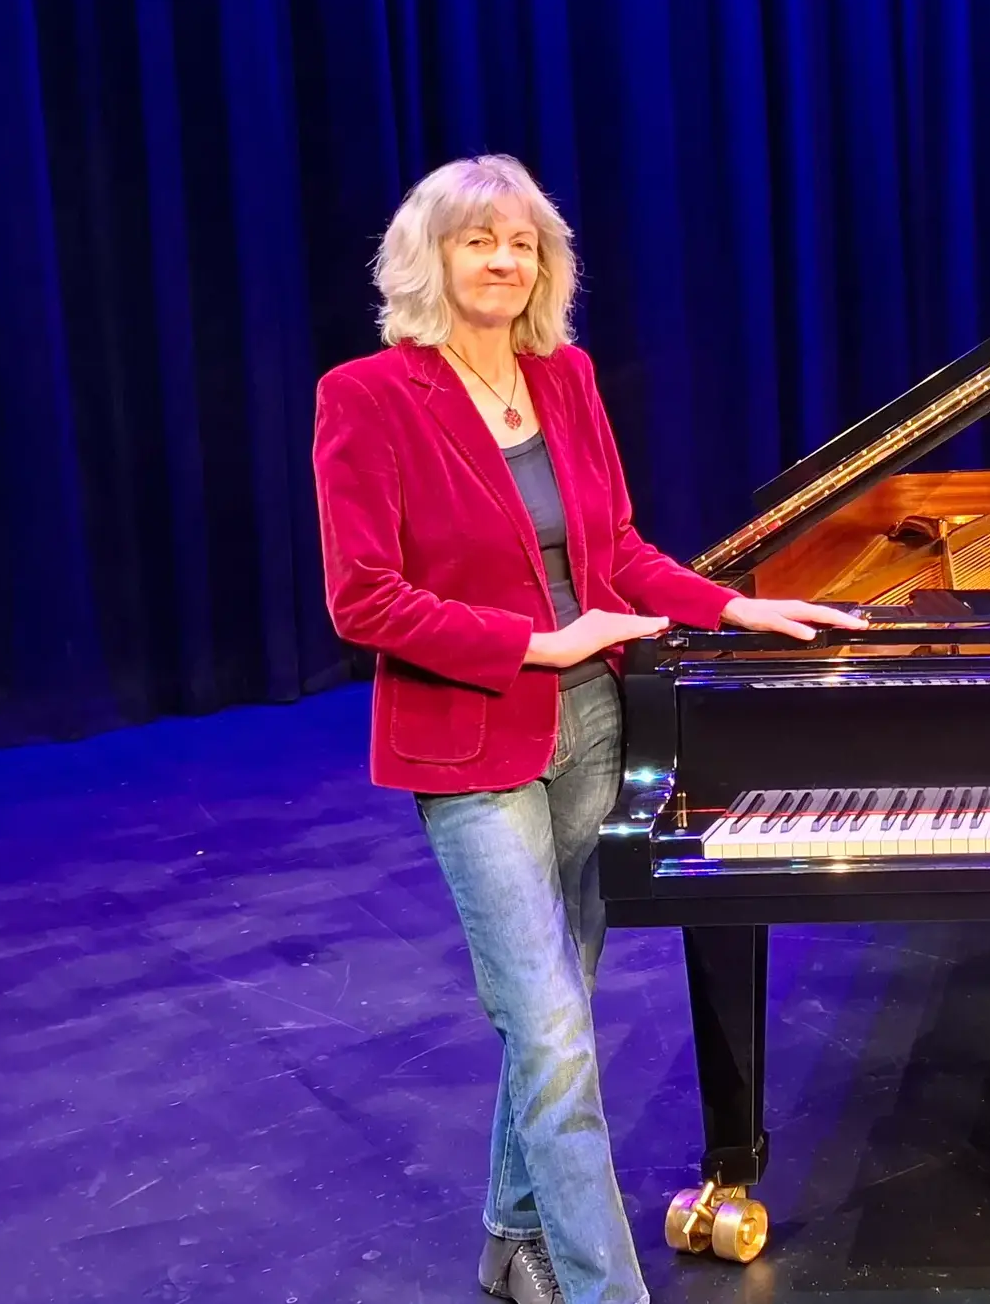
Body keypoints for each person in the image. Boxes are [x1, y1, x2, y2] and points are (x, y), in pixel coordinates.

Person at [312, 155, 862, 1304]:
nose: (503, 259)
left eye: (521, 241)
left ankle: (513, 1239)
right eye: (479, 239)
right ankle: (605, 1287)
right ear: (432, 256)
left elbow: (613, 553)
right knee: (549, 1023)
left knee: (557, 1009)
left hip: (599, 724)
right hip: (473, 737)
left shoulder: (563, 377)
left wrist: (735, 601)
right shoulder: (365, 395)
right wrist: (534, 643)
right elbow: (361, 596)